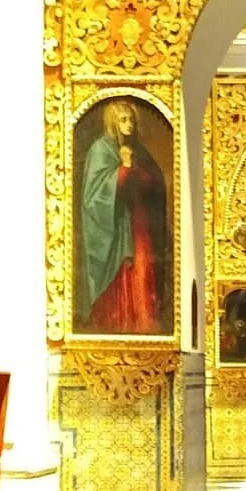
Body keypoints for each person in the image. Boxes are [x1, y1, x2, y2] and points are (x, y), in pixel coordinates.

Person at [79, 99, 167, 334]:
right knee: (123, 275)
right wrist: (124, 168)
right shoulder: (100, 150)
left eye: (132, 120)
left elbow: (153, 183)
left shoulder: (139, 151)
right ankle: (117, 326)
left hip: (138, 224)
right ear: (112, 122)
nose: (129, 125)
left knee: (141, 273)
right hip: (114, 226)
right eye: (123, 120)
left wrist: (134, 169)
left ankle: (142, 327)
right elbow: (94, 196)